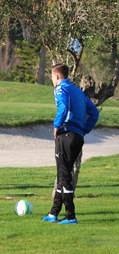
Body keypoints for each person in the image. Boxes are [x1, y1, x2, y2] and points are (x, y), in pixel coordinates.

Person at [42, 63, 99, 224]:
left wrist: (56, 125)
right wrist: (84, 130)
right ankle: (54, 213)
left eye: (52, 77)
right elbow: (94, 112)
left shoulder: (60, 89)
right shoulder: (78, 91)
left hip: (65, 134)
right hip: (77, 137)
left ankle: (70, 216)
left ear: (58, 77)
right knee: (63, 173)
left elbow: (63, 106)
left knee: (65, 174)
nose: (52, 80)